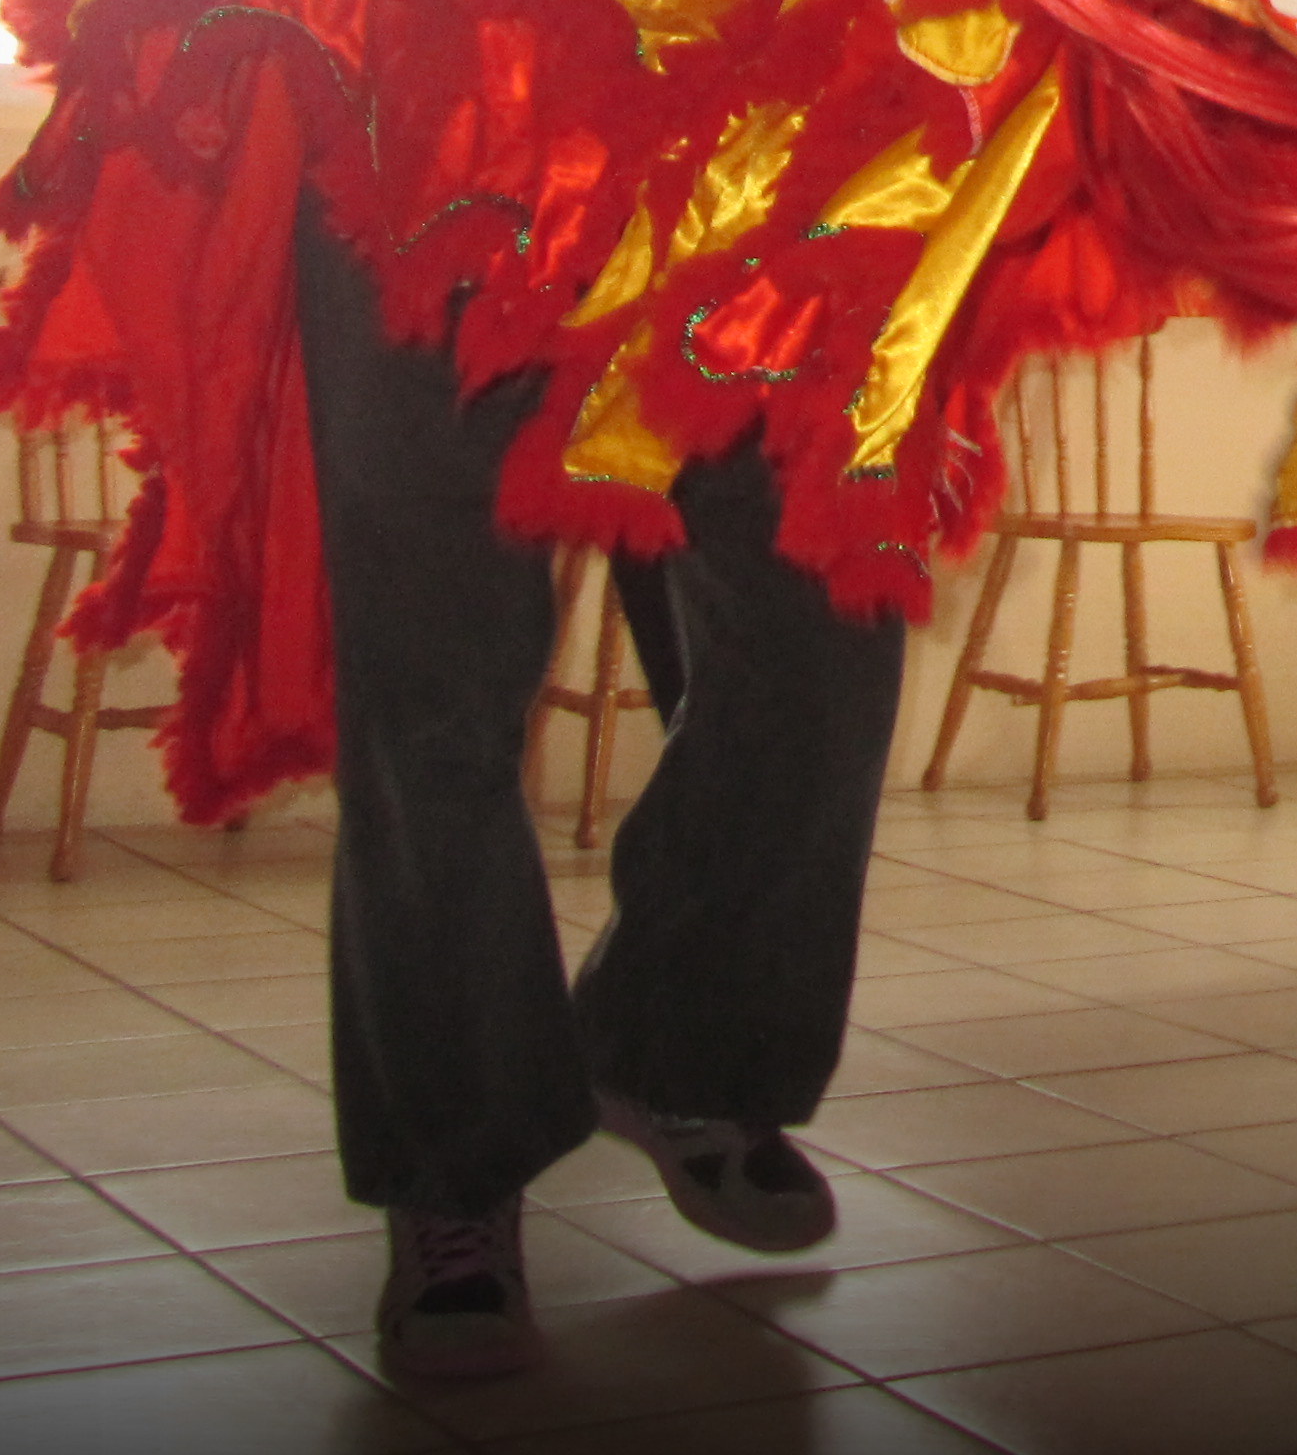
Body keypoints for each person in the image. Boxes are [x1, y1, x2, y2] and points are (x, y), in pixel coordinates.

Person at [288, 201, 907, 1382]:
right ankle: (453, 1168)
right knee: (433, 696)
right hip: (413, 141)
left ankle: (680, 1050)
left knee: (826, 634)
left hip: (743, 146)